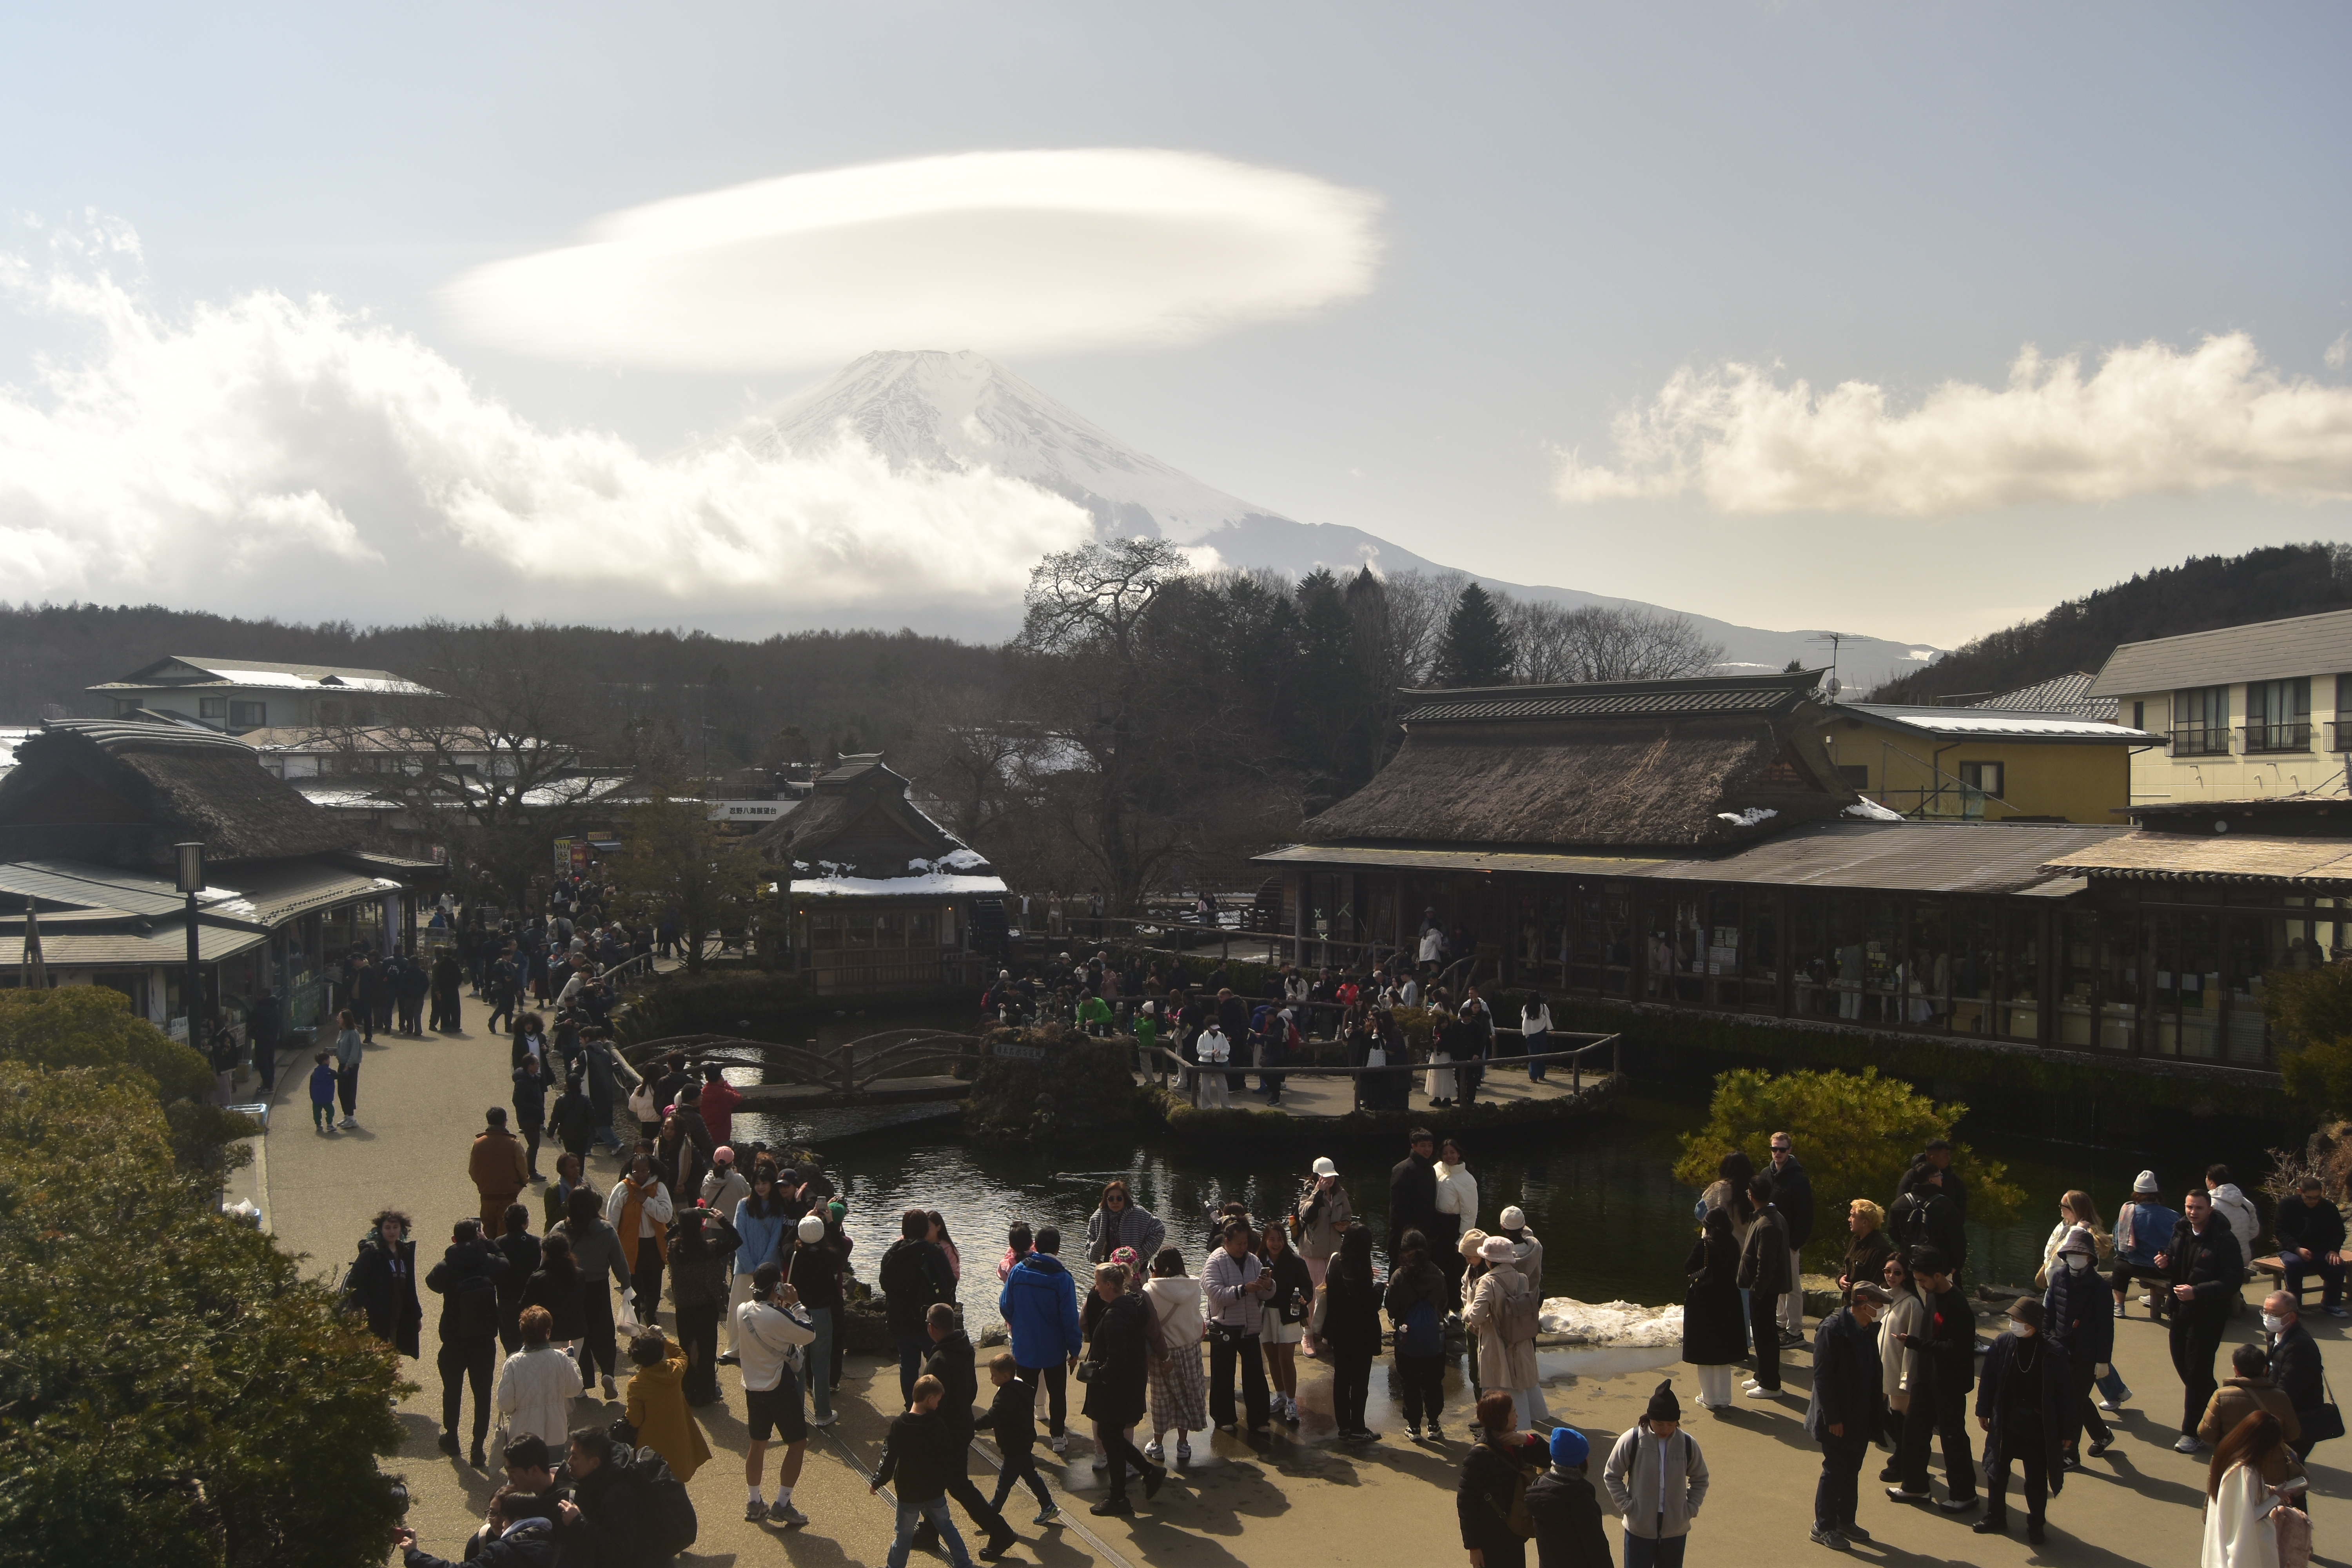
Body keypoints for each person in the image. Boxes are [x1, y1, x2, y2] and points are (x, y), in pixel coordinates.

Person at [922, 1300, 1018, 1558]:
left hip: (947, 1433)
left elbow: (933, 1405)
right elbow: (972, 1390)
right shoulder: (964, 1348)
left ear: (932, 1328)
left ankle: (1001, 1531)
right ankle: (929, 1531)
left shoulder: (939, 1360)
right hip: (961, 1425)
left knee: (957, 1485)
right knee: (936, 1481)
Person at [1885, 1247, 1977, 1517]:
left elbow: (1957, 1348)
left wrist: (1915, 1344)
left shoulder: (1957, 1305)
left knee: (1952, 1438)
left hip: (1950, 1383)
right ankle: (1915, 1486)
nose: (1921, 1285)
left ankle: (1965, 1495)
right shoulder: (1932, 1294)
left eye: (1923, 1280)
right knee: (1914, 1432)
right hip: (1925, 1378)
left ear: (1938, 1276)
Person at [1973, 1296, 2068, 1544]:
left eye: (2019, 1319)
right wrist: (1983, 1410)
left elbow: (2066, 1397)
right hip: (2006, 1420)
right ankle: (1995, 1516)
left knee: (2035, 1480)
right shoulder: (2003, 1343)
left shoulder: (2053, 1352)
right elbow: (1988, 1379)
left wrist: (2067, 1432)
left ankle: (2036, 1524)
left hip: (2037, 1427)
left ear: (2033, 1324)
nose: (2013, 1323)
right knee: (1996, 1471)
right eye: (2013, 1318)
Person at [2161, 1187, 2247, 1454]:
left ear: (2210, 1209)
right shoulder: (2181, 1231)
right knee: (2186, 1368)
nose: (2193, 1212)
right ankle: (2222, 1409)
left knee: (2197, 1372)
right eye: (2189, 1207)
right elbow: (2175, 1261)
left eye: (2198, 1208)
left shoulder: (2224, 1239)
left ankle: (2192, 1433)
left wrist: (2197, 1292)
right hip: (2180, 1311)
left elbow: (2232, 1281)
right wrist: (2164, 1262)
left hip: (2209, 1316)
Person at [1804, 1279, 1887, 1550]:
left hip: (1860, 1414)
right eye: (1879, 1305)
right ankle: (1823, 1527)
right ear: (1864, 1305)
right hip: (1837, 1417)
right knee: (1835, 1470)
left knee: (1852, 1470)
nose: (1882, 1310)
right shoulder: (1832, 1330)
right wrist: (1833, 1418)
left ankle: (1845, 1520)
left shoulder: (1868, 1328)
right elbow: (1823, 1378)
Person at [426, 1217, 512, 1468]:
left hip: (454, 1340)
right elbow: (506, 1265)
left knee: (452, 1390)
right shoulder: (487, 1260)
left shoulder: (447, 1265)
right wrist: (489, 1243)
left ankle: (452, 1438)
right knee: (482, 1394)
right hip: (484, 1340)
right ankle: (477, 1449)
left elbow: (431, 1283)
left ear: (454, 1240)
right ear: (478, 1236)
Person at [1082, 1261, 1166, 1517]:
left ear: (1109, 1285)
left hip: (1116, 1389)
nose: (1095, 1288)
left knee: (1110, 1435)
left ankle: (1119, 1496)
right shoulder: (1130, 1305)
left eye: (1098, 1283)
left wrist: (1101, 1376)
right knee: (1111, 1435)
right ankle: (1147, 1474)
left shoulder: (1115, 1315)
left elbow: (1117, 1358)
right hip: (1129, 1385)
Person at [738, 1259, 816, 1526]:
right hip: (779, 1387)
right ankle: (782, 1504)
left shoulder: (742, 1310)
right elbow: (808, 1333)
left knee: (757, 1444)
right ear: (777, 1287)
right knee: (798, 1443)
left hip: (753, 1388)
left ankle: (754, 1501)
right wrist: (796, 1304)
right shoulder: (777, 1316)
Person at [1603, 1381, 1709, 1568]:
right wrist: (1627, 1506)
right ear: (1649, 1418)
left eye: (1671, 1424)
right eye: (1659, 1424)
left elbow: (1700, 1479)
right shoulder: (1632, 1440)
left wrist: (1690, 1509)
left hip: (1676, 1529)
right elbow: (1612, 1475)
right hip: (1639, 1528)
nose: (1665, 1429)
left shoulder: (1687, 1443)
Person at [874, 1376, 975, 1568]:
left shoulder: (899, 1425)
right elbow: (947, 1453)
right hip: (934, 1491)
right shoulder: (937, 1425)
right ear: (930, 1399)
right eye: (938, 1400)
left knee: (904, 1535)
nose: (938, 1405)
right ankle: (964, 1563)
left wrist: (878, 1481)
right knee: (947, 1527)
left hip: (909, 1492)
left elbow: (888, 1457)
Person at [1001, 1224, 1084, 1454]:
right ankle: (1057, 1436)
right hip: (1053, 1349)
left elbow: (1005, 1305)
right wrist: (1075, 1349)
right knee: (1057, 1394)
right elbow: (1070, 1319)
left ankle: (1026, 1436)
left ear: (1035, 1245)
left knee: (1024, 1394)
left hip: (1025, 1346)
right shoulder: (1063, 1278)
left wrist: (1020, 1326)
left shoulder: (1018, 1271)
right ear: (1058, 1249)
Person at [2045, 1225, 2116, 1463]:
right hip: (2061, 1349)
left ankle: (2070, 1454)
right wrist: (2045, 1340)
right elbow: (2049, 1314)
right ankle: (2102, 1435)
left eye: (2080, 1254)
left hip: (2087, 1354)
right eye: (2071, 1253)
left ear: (2090, 1257)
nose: (2075, 1258)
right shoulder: (2058, 1278)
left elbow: (2106, 1327)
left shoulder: (2100, 1287)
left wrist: (2103, 1360)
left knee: (2072, 1404)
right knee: (2077, 1398)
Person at [1457, 1389, 1548, 1568]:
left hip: (1514, 1533)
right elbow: (1466, 1502)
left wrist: (1528, 1440)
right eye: (1513, 1412)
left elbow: (1549, 1460)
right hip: (1491, 1541)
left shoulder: (1514, 1443)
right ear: (1501, 1418)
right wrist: (1474, 1547)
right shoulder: (1479, 1455)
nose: (1517, 1416)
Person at [553, 1187, 630, 1397]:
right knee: (604, 1331)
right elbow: (619, 1262)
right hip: (598, 1287)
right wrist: (626, 1284)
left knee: (579, 1334)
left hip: (570, 1288)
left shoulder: (560, 1229)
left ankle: (583, 1384)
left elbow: (549, 1257)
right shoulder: (606, 1230)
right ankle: (608, 1373)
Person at [2202, 1411, 2301, 1568]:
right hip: (2251, 1550)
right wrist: (2277, 1498)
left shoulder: (2228, 1456)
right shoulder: (2246, 1472)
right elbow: (2249, 1516)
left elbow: (2238, 1499)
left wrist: (2267, 1491)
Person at [882, 1208, 959, 1405]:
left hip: (900, 1319)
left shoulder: (892, 1253)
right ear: (925, 1229)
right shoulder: (934, 1252)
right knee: (937, 1362)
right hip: (929, 1319)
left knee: (908, 1365)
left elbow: (885, 1284)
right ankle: (939, 1404)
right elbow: (949, 1282)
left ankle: (912, 1406)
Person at [1203, 1220, 1274, 1434]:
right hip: (1224, 1326)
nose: (1243, 1247)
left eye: (1246, 1243)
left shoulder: (1254, 1261)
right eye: (1239, 1244)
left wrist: (1268, 1286)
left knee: (1256, 1377)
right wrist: (1243, 1290)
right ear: (1227, 1241)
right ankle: (1223, 1418)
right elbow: (1215, 1294)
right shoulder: (1215, 1261)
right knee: (1222, 1376)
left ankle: (1260, 1419)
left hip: (1250, 1326)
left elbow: (1265, 1296)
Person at [975, 1351, 1058, 1526]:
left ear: (1005, 1376)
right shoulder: (1021, 1389)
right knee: (1031, 1476)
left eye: (994, 1375)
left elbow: (992, 1417)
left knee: (1004, 1483)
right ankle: (1048, 1505)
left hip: (1014, 1446)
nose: (991, 1379)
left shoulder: (1005, 1396)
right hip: (1023, 1441)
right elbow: (1008, 1416)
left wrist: (971, 1425)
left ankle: (990, 1516)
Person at [667, 1203, 739, 1406]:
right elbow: (737, 1240)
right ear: (701, 1226)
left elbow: (667, 1235)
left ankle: (688, 1390)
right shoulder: (711, 1248)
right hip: (707, 1306)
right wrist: (722, 1220)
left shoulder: (674, 1249)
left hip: (683, 1307)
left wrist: (681, 1223)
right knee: (707, 1350)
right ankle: (706, 1392)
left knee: (686, 1348)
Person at [1323, 1222, 1387, 1441]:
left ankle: (1344, 1427)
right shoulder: (1359, 1269)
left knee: (1341, 1380)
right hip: (1361, 1335)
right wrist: (1380, 1287)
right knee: (1359, 1383)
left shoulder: (1336, 1261)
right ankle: (1358, 1428)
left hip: (1339, 1331)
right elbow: (1370, 1303)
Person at [1388, 1227, 1454, 1440]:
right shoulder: (1438, 1274)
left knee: (1410, 1383)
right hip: (1434, 1339)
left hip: (1407, 1339)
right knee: (1433, 1381)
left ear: (1403, 1251)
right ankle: (1434, 1424)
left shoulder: (1399, 1276)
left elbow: (1392, 1307)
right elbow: (1444, 1304)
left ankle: (1414, 1427)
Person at [1143, 1246, 1206, 1464]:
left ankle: (1158, 1445)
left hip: (1163, 1353)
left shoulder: (1151, 1290)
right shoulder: (1194, 1287)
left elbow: (1150, 1325)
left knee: (1161, 1399)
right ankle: (1183, 1445)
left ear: (1157, 1266)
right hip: (1190, 1348)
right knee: (1186, 1397)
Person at [392, 1486, 557, 1568]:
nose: (499, 1522)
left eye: (504, 1516)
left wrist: (414, 1556)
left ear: (517, 1520)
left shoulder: (502, 1551)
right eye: (492, 1513)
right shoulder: (554, 1541)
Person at [624, 1328, 710, 1484]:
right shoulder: (674, 1370)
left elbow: (635, 1420)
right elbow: (681, 1355)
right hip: (677, 1438)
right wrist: (663, 1339)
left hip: (651, 1444)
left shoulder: (637, 1383)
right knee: (675, 1480)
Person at [1681, 1207, 1747, 1411]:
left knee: (1705, 1352)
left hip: (1705, 1301)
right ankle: (1724, 1398)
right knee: (1723, 1352)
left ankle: (1708, 1397)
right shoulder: (1733, 1243)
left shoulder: (1703, 1245)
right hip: (1729, 1300)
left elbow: (1688, 1267)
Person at [726, 1163, 791, 1363]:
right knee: (739, 1308)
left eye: (765, 1183)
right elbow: (739, 1235)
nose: (761, 1187)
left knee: (766, 1310)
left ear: (772, 1185)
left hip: (768, 1269)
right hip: (744, 1267)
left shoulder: (777, 1208)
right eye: (757, 1183)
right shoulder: (744, 1205)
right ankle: (735, 1348)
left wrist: (762, 1269)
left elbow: (775, 1240)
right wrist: (750, 1266)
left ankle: (764, 1348)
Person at [1736, 1173, 1792, 1400]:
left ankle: (1771, 1384)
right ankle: (1762, 1374)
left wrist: (1757, 1289)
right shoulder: (1770, 1217)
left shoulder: (1768, 1223)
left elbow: (1767, 1264)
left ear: (1751, 1195)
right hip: (1764, 1288)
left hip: (1764, 1289)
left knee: (1765, 1335)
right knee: (1761, 1334)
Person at [494, 1306, 583, 1450]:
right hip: (556, 1433)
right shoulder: (560, 1358)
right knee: (554, 1464)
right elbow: (575, 1389)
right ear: (548, 1333)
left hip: (522, 1436)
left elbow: (505, 1404)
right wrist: (571, 1359)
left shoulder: (513, 1362)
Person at [343, 1209, 423, 1361]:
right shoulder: (372, 1253)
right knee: (375, 1360)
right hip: (377, 1320)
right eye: (388, 1228)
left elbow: (410, 1288)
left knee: (390, 1359)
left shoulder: (404, 1253)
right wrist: (367, 1308)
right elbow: (354, 1282)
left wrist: (417, 1316)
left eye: (395, 1227)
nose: (392, 1232)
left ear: (402, 1229)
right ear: (380, 1230)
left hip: (398, 1318)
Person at [787, 1212, 844, 1427]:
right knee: (821, 1364)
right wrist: (831, 1222)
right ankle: (823, 1413)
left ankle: (796, 1415)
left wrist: (803, 1218)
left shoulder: (793, 1254)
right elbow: (841, 1245)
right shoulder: (830, 1256)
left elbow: (785, 1242)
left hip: (798, 1312)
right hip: (822, 1314)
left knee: (798, 1364)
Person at [1528, 1424, 1612, 1568]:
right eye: (1586, 1456)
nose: (1589, 1460)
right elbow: (1597, 1549)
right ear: (1579, 1462)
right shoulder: (1580, 1500)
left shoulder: (1539, 1485)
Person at [604, 1154, 673, 1326]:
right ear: (631, 1171)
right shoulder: (622, 1189)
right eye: (637, 1171)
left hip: (654, 1246)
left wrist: (647, 1201)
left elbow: (666, 1216)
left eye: (645, 1171)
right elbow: (612, 1220)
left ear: (651, 1170)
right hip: (629, 1247)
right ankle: (634, 1330)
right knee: (633, 1292)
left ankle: (650, 1314)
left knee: (654, 1289)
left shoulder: (659, 1188)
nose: (641, 1175)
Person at [2201, 1342, 2304, 1454]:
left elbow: (2206, 1434)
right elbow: (2293, 1434)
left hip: (2230, 1458)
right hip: (2269, 1459)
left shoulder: (2221, 1396)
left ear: (2236, 1370)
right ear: (2265, 1369)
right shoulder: (2281, 1397)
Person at [2264, 1290, 2328, 1459]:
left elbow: (2289, 1390)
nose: (2268, 1318)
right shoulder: (2276, 1336)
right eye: (2265, 1312)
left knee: (2288, 1465)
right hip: (2284, 1413)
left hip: (2297, 1420)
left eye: (2274, 1314)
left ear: (2291, 1317)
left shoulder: (2299, 1347)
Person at [1259, 1219, 1313, 1421]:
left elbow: (1308, 1287)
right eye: (1272, 1239)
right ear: (1265, 1241)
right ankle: (1281, 1396)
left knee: (1286, 1360)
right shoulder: (1258, 1261)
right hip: (1266, 1315)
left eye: (1280, 1239)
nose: (1276, 1244)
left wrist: (1304, 1298)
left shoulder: (1295, 1262)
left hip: (1289, 1315)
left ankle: (1292, 1402)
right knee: (1272, 1358)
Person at [2274, 1176, 2349, 1319]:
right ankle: (2295, 1305)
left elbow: (2338, 1233)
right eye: (2309, 1198)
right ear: (2300, 1192)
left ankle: (2331, 1303)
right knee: (2294, 1265)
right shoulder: (2287, 1205)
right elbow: (2280, 1231)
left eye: (2317, 1198)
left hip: (2321, 1250)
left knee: (2337, 1265)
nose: (2314, 1201)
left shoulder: (2328, 1207)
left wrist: (2334, 1250)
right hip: (2293, 1250)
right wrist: (2297, 1249)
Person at [1879, 1252, 1926, 1479]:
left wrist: (1907, 1377)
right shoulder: (1884, 1297)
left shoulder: (1912, 1304)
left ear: (1906, 1275)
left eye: (1897, 1272)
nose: (1891, 1276)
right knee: (1875, 1410)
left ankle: (1903, 1458)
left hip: (1899, 1371)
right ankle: (1903, 1453)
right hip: (1882, 1367)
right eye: (1888, 1271)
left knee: (1900, 1417)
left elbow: (1914, 1345)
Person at [2114, 1169, 2181, 1319]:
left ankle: (2119, 1306)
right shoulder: (2174, 1215)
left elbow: (2118, 1244)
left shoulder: (2128, 1214)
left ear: (2136, 1193)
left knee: (2119, 1265)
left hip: (2138, 1266)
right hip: (2166, 1268)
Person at [1766, 1132, 1814, 1343]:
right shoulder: (1766, 1174)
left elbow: (1806, 1216)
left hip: (1789, 1243)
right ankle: (1780, 1323)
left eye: (1782, 1149)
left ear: (1790, 1151)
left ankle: (1795, 1331)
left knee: (1793, 1287)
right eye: (1774, 1149)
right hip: (1770, 1241)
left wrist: (1795, 1244)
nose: (1778, 1153)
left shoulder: (1799, 1180)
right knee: (1776, 1284)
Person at [470, 1107, 532, 1235]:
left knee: (488, 1230)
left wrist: (482, 1184)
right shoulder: (514, 1143)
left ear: (488, 1122)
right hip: (508, 1196)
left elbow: (473, 1171)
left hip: (487, 1196)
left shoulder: (478, 1143)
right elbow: (522, 1169)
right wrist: (522, 1183)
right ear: (505, 1122)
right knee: (506, 1232)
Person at [1392, 1128, 1443, 1266]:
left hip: (1426, 1234)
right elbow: (1399, 1208)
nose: (1427, 1149)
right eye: (1423, 1146)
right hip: (1405, 1236)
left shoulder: (1430, 1169)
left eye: (1430, 1145)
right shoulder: (1402, 1170)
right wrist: (1410, 1235)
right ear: (1414, 1147)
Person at [1086, 1179, 1167, 1266]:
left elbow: (1159, 1230)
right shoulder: (1097, 1218)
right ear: (1106, 1200)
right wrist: (1099, 1263)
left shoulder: (1139, 1214)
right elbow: (1090, 1244)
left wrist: (1142, 1253)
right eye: (1111, 1199)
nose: (1115, 1202)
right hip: (1109, 1269)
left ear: (1125, 1199)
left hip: (1137, 1268)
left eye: (1119, 1199)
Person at [1835, 1200, 1895, 1309]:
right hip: (1849, 1307)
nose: (1849, 1219)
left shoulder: (1880, 1250)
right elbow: (1845, 1267)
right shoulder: (1855, 1241)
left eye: (1853, 1216)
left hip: (1864, 1312)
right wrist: (1840, 1280)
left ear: (1865, 1223)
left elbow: (1877, 1290)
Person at [2207, 1165, 2263, 1276]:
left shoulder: (2210, 1204)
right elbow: (2254, 1231)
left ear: (2212, 1182)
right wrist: (2241, 1239)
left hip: (2217, 1258)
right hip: (2243, 1258)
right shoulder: (2245, 1203)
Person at [697, 1062, 742, 1149]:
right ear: (720, 1077)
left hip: (704, 1138)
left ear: (706, 1078)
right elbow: (738, 1097)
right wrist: (725, 1084)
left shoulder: (701, 1094)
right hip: (721, 1139)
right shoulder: (725, 1094)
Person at [332, 1008, 364, 1128]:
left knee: (349, 1091)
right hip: (342, 1064)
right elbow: (342, 1048)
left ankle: (351, 1118)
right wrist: (335, 1052)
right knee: (342, 1091)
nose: (338, 1019)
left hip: (350, 1066)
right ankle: (346, 1115)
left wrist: (348, 1065)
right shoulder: (342, 1032)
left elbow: (354, 1052)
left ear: (346, 1019)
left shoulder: (353, 1033)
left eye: (340, 1017)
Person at [1521, 994, 1554, 1083]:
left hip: (1530, 1034)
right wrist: (1551, 1029)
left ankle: (1533, 1077)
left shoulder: (1526, 1008)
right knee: (1542, 1055)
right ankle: (1541, 1075)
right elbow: (1547, 1018)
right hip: (1541, 1033)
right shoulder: (1543, 1007)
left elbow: (1523, 1016)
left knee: (1533, 1056)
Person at [309, 1049, 338, 1133]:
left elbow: (311, 1085)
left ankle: (318, 1125)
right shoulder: (330, 1072)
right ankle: (329, 1124)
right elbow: (339, 1076)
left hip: (316, 1097)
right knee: (330, 1111)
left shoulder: (315, 1073)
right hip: (327, 1096)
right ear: (325, 1061)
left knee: (317, 1112)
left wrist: (312, 1096)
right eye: (329, 1059)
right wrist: (346, 1072)